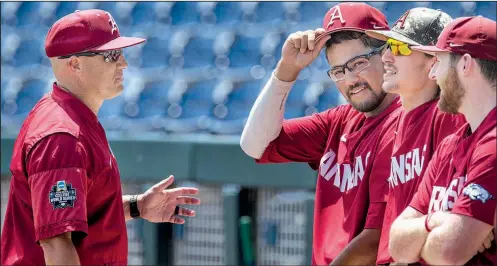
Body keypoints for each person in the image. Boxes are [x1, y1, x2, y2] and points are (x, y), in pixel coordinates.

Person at [1, 9, 201, 265]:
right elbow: (56, 244)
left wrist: (137, 206)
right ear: (75, 64)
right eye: (111, 55)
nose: (124, 63)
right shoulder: (62, 137)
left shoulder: (73, 118)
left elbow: (81, 211)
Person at [240, 3, 402, 265]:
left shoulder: (407, 122)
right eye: (338, 71)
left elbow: (377, 239)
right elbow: (254, 145)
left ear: (387, 54)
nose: (350, 80)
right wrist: (286, 69)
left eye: (358, 63)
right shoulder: (337, 121)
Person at [389, 16, 496, 265]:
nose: (433, 73)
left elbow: (449, 253)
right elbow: (397, 245)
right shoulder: (450, 144)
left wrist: (425, 234)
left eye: (438, 61)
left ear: (465, 64)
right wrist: (436, 220)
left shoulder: (493, 145)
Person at [364, 8, 467, 265]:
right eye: (388, 45)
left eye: (400, 47)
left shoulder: (448, 117)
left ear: (434, 61)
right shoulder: (395, 121)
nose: (386, 56)